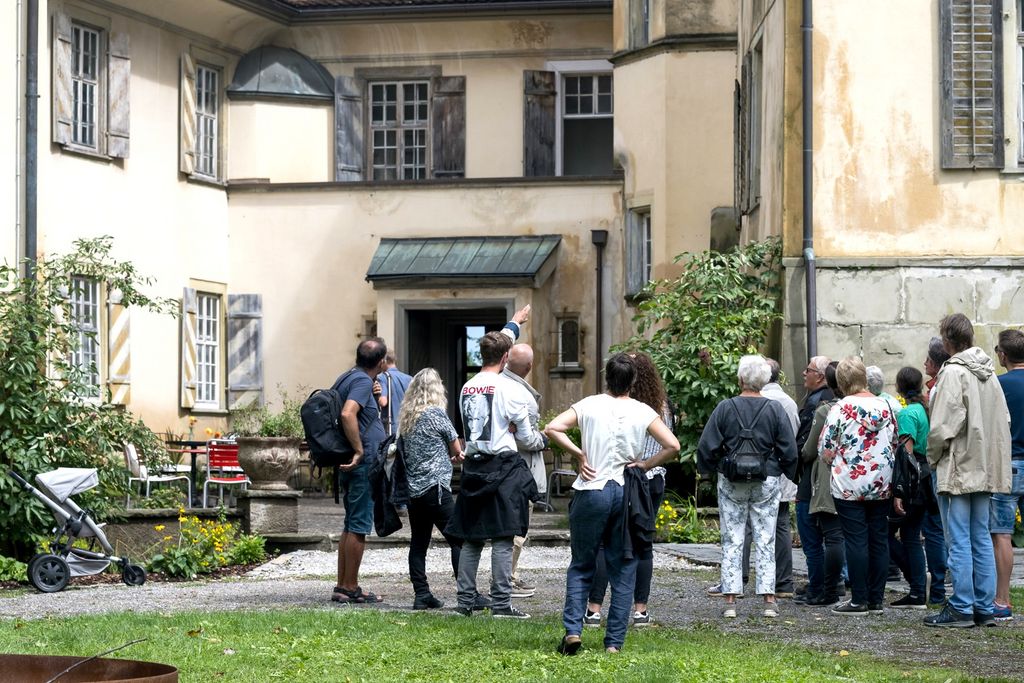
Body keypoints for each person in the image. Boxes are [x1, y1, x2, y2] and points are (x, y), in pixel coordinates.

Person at [546, 353, 680, 655]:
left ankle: (572, 632)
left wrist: (580, 454)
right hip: (625, 492)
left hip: (591, 490)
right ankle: (614, 643)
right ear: (633, 381)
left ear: (607, 377)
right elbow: (673, 445)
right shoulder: (643, 410)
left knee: (582, 564)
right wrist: (645, 465)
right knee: (624, 565)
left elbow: (553, 427)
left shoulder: (589, 404)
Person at [445, 331, 543, 620]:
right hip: (502, 465)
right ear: (504, 358)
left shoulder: (467, 387)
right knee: (503, 535)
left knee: (472, 536)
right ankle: (501, 603)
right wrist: (540, 439)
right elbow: (525, 435)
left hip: (474, 465)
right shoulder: (510, 389)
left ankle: (464, 601)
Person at [925, 314, 1011, 628]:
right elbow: (1004, 421)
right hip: (984, 465)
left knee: (959, 539)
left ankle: (962, 605)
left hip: (959, 465)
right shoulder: (989, 373)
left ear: (947, 340)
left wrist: (932, 457)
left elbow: (942, 427)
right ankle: (984, 606)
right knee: (980, 538)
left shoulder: (953, 373)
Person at [697, 355, 798, 619]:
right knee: (766, 538)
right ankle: (768, 599)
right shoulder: (775, 409)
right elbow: (789, 449)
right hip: (767, 479)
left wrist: (712, 469)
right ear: (764, 381)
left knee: (732, 537)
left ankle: (730, 599)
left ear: (740, 378)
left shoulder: (725, 408)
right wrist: (788, 472)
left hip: (732, 480)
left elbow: (706, 447)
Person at [586, 352, 675, 627]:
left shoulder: (614, 406)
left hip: (619, 477)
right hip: (650, 479)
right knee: (642, 544)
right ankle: (640, 610)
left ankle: (593, 609)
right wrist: (647, 465)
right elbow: (671, 445)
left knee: (603, 542)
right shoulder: (661, 406)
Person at [819, 357, 897, 616]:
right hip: (881, 481)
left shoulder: (840, 409)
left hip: (849, 483)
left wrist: (837, 460)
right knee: (879, 539)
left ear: (842, 382)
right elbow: (894, 440)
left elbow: (826, 449)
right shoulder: (886, 405)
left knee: (855, 540)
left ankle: (858, 599)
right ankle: (876, 599)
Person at [398, 368, 464, 610]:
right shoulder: (436, 413)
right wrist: (454, 456)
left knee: (418, 544)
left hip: (414, 491)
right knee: (459, 540)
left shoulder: (407, 418)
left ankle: (422, 594)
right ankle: (468, 593)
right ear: (437, 390)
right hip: (436, 488)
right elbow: (456, 447)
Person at [331, 337, 389, 604]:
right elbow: (347, 413)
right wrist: (359, 450)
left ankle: (343, 585)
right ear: (381, 361)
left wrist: (375, 397)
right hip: (361, 463)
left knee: (350, 524)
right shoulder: (363, 381)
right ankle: (350, 586)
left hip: (349, 462)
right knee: (358, 525)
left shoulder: (347, 377)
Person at [795, 360, 846, 606]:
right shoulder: (876, 405)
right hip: (859, 480)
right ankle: (853, 590)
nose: (804, 374)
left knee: (817, 537)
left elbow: (810, 450)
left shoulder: (824, 409)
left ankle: (822, 588)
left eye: (810, 370)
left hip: (822, 480)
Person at [501, 343, 548, 599]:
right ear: (530, 367)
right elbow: (527, 439)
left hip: (500, 466)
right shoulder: (521, 395)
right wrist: (545, 439)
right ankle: (508, 578)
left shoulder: (496, 383)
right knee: (518, 527)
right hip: (521, 469)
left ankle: (507, 576)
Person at [887, 367, 933, 609]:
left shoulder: (907, 414)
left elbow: (906, 455)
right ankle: (916, 590)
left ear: (899, 386)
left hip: (912, 481)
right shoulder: (923, 410)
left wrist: (898, 492)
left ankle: (915, 582)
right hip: (925, 477)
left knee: (885, 534)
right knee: (911, 536)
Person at [989, 329, 1024, 621]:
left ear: (1002, 354)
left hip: (1008, 463)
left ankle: (1002, 600)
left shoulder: (998, 386)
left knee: (1002, 533)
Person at [922, 336, 950, 604]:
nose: (924, 364)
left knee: (936, 529)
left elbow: (938, 432)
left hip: (941, 465)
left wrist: (932, 458)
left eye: (928, 360)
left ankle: (940, 587)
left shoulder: (940, 388)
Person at [377, 351, 412, 437]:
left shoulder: (383, 377)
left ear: (383, 361)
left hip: (390, 427)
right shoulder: (409, 378)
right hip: (407, 425)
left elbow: (383, 402)